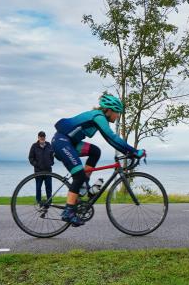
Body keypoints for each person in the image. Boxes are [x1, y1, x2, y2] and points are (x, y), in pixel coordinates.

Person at [52, 94, 145, 226]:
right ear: (109, 110)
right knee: (78, 175)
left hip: (70, 142)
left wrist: (128, 152)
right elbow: (112, 138)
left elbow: (110, 140)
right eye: (117, 113)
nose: (118, 116)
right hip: (62, 142)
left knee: (95, 151)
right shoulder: (99, 117)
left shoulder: (99, 117)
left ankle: (84, 185)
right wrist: (134, 151)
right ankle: (68, 212)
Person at [28, 131, 54, 205]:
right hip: (38, 171)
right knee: (38, 187)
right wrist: (36, 164)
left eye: (43, 136)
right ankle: (38, 201)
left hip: (48, 170)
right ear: (38, 137)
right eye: (40, 136)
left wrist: (51, 163)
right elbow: (30, 158)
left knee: (49, 187)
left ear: (45, 137)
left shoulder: (49, 145)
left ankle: (49, 201)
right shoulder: (34, 146)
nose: (42, 138)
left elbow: (52, 155)